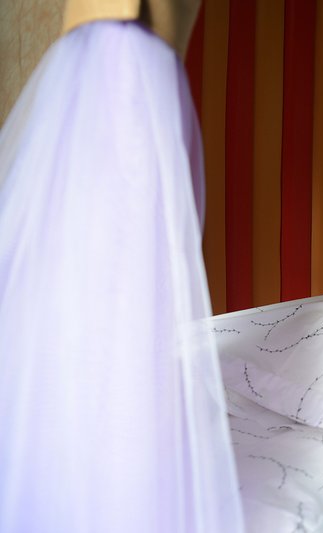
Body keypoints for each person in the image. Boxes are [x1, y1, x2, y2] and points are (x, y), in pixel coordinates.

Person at [0, 1, 244, 531]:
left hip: (134, 67)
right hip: (120, 64)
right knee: (105, 285)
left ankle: (99, 464)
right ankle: (95, 477)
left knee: (119, 294)